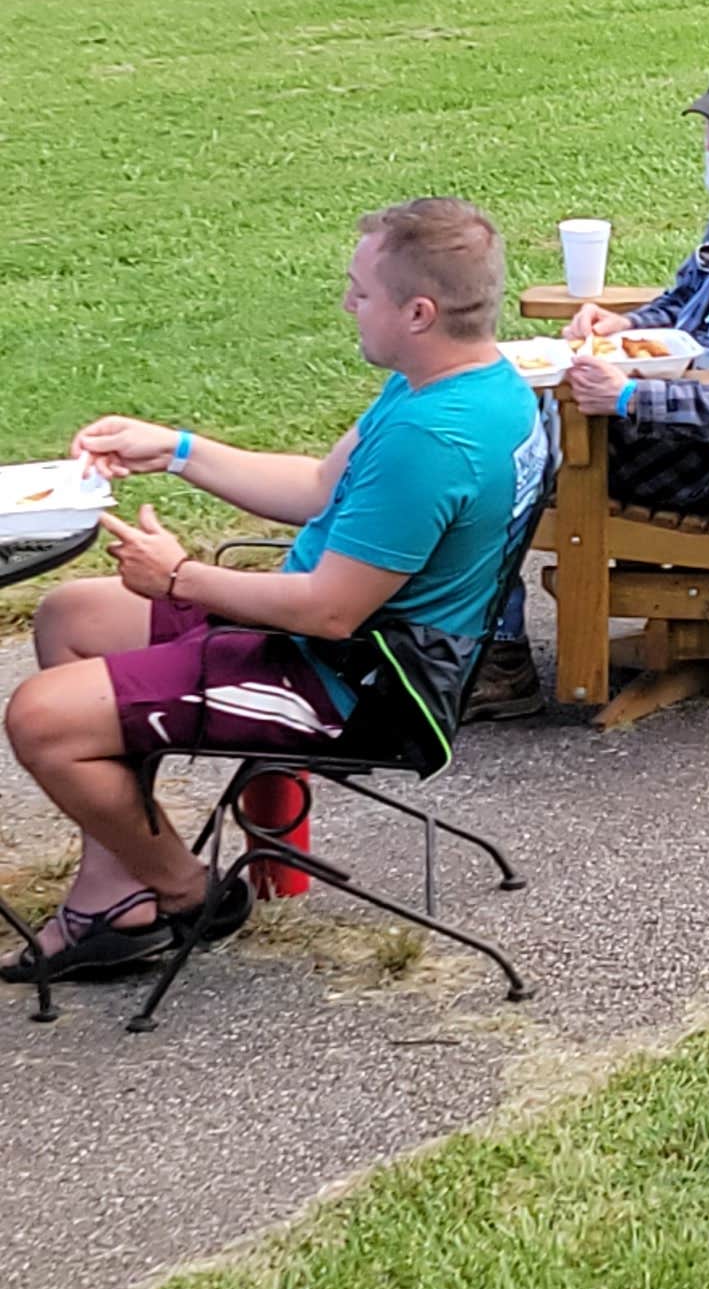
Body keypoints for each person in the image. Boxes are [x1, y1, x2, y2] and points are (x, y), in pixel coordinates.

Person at [3, 201, 542, 987]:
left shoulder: (437, 438)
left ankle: (187, 892)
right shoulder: (463, 383)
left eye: (360, 291)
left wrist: (180, 578)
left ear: (418, 312)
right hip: (334, 637)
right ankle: (116, 893)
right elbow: (322, 487)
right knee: (71, 616)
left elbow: (331, 609)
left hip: (357, 683)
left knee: (39, 719)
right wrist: (178, 450)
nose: (347, 304)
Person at [475, 48, 709, 714]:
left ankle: (494, 658)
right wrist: (621, 325)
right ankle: (473, 640)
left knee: (495, 447)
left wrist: (629, 395)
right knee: (495, 423)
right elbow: (685, 300)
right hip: (688, 433)